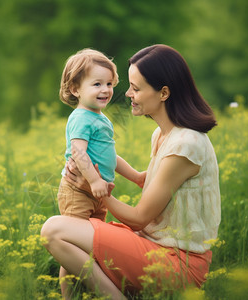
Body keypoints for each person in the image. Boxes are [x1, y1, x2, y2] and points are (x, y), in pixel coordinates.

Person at [41, 44, 221, 299]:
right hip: (152, 245)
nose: (126, 94)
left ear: (163, 93)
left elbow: (138, 218)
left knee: (53, 230)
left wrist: (94, 189)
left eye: (136, 88)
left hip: (177, 264)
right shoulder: (162, 134)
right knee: (70, 236)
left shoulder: (186, 144)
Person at [56, 48, 146, 297]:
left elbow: (109, 157)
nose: (105, 90)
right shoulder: (81, 118)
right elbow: (78, 152)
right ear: (76, 89)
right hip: (79, 191)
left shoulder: (100, 118)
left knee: (92, 243)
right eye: (97, 84)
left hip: (97, 191)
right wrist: (94, 180)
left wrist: (136, 176)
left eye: (108, 83)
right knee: (71, 244)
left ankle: (92, 288)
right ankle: (68, 295)